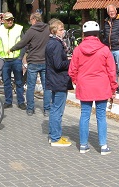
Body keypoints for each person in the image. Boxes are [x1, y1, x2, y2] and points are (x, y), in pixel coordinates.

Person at [69, 21, 117, 155]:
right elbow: (111, 71)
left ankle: (83, 145)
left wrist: (76, 81)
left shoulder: (78, 49)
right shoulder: (104, 49)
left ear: (84, 34)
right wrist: (113, 88)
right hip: (102, 86)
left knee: (84, 115)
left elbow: (72, 69)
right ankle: (103, 146)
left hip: (85, 85)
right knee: (101, 116)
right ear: (97, 34)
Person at [10, 12, 51, 116]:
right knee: (46, 87)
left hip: (33, 62)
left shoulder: (31, 30)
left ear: (33, 19)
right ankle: (47, 110)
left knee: (31, 87)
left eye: (30, 20)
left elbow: (23, 43)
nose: (30, 22)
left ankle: (30, 109)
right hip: (45, 61)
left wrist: (12, 48)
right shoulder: (48, 29)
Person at [46, 19, 73, 147]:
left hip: (54, 79)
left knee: (54, 109)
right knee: (57, 110)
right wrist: (70, 62)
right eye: (61, 29)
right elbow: (58, 64)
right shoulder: (56, 44)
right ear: (54, 31)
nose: (63, 32)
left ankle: (53, 135)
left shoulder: (51, 42)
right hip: (59, 80)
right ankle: (56, 137)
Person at [0, 12, 26, 110]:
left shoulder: (19, 28)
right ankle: (8, 101)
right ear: (3, 20)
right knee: (6, 82)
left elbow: (23, 43)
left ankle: (21, 101)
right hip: (4, 60)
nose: (10, 21)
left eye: (11, 19)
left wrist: (20, 57)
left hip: (16, 59)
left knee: (19, 82)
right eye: (8, 19)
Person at [103, 4, 119, 94]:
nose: (111, 13)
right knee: (111, 69)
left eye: (112, 11)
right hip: (109, 48)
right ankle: (114, 85)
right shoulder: (106, 22)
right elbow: (105, 35)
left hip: (118, 48)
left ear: (116, 11)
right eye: (110, 12)